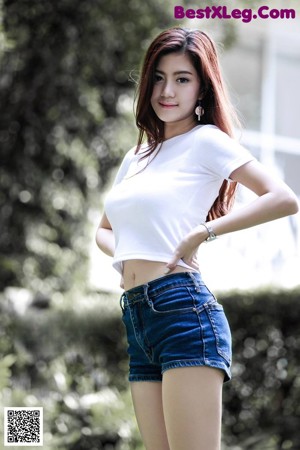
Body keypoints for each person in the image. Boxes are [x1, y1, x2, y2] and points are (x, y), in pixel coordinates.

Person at [95, 27, 298, 450]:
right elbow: (104, 230)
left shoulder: (206, 141)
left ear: (202, 88)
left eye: (182, 79)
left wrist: (203, 232)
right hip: (137, 317)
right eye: (159, 77)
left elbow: (283, 198)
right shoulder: (136, 158)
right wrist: (128, 258)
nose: (167, 90)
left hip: (182, 311)